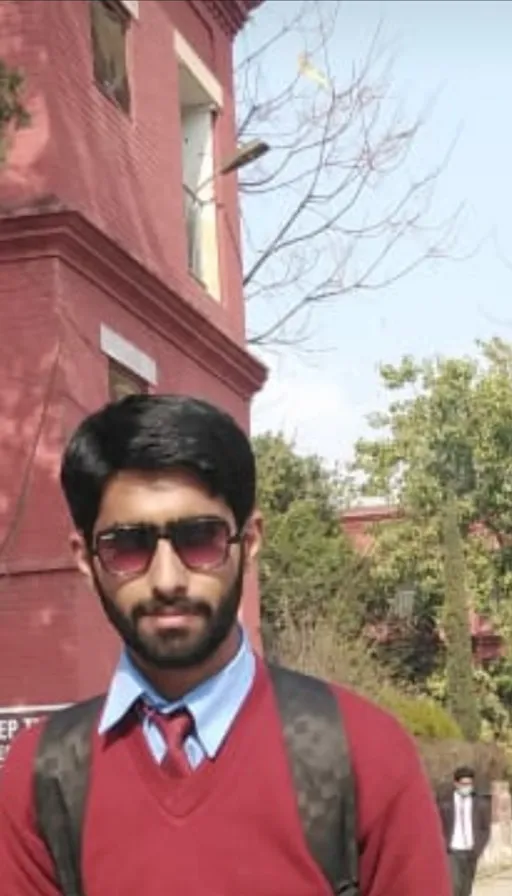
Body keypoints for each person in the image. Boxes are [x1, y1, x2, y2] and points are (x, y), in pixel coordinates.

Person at [0, 394, 452, 895]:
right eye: (128, 546)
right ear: (85, 558)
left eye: (199, 538)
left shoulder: (364, 755)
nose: (167, 579)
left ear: (250, 541)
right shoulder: (42, 777)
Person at [438, 765, 492, 896]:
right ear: (456, 783)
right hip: (452, 851)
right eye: (464, 783)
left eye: (469, 784)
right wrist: (443, 845)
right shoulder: (445, 803)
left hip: (471, 851)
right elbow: (438, 825)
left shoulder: (480, 803)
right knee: (454, 885)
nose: (467, 787)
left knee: (466, 889)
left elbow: (485, 828)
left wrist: (478, 848)